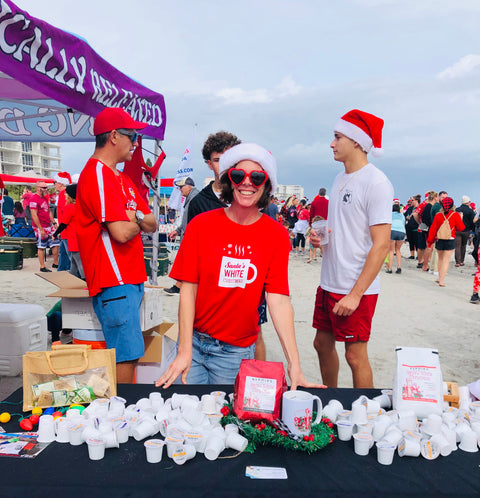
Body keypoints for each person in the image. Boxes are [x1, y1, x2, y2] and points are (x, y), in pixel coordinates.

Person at [155, 143, 323, 390]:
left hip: (235, 353)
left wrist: (294, 364)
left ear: (266, 184)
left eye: (256, 177)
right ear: (228, 180)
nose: (247, 183)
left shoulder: (275, 234)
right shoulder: (201, 226)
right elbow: (188, 290)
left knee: (227, 424)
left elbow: (278, 299)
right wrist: (184, 350)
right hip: (194, 344)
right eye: (238, 175)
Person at [311, 109, 393, 388]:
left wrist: (355, 295)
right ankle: (330, 398)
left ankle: (366, 416)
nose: (331, 144)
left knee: (355, 356)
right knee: (322, 343)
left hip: (355, 287)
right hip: (329, 280)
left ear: (357, 141)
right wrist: (320, 240)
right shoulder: (338, 179)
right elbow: (342, 232)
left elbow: (381, 245)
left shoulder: (376, 182)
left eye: (337, 137)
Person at [76, 107, 157, 383]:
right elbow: (123, 232)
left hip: (128, 277)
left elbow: (153, 222)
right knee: (126, 354)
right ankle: (119, 413)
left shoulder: (119, 178)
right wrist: (135, 219)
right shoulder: (97, 174)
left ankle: (121, 411)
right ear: (113, 136)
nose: (135, 143)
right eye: (132, 136)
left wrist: (134, 219)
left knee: (129, 352)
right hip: (114, 279)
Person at [184, 131, 268, 361]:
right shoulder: (199, 202)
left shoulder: (249, 193)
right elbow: (191, 257)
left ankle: (256, 376)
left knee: (256, 333)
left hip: (248, 284)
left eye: (230, 156)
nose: (224, 163)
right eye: (218, 159)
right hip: (211, 289)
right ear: (209, 163)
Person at [164, 177, 199, 295]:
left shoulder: (194, 198)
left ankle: (178, 286)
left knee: (185, 262)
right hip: (190, 235)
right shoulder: (192, 198)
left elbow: (191, 220)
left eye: (181, 187)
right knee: (185, 262)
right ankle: (179, 286)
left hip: (192, 237)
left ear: (189, 186)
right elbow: (187, 219)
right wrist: (178, 231)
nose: (179, 189)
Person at [427, 197, 464, 287]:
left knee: (440, 259)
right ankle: (441, 281)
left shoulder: (438, 215)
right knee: (446, 260)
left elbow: (433, 229)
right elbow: (461, 228)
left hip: (439, 239)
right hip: (450, 239)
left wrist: (430, 241)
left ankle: (439, 277)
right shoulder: (455, 215)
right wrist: (461, 218)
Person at [52, 183, 84, 279]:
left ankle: (85, 281)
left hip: (72, 238)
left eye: (66, 193)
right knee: (73, 262)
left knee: (78, 262)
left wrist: (55, 234)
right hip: (79, 237)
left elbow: (63, 223)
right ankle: (72, 278)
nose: (65, 195)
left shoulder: (69, 207)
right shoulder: (80, 206)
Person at [30, 181, 60, 272]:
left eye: (46, 187)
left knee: (56, 243)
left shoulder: (45, 198)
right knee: (41, 246)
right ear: (38, 188)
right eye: (44, 188)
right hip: (40, 226)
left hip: (48, 225)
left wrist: (54, 223)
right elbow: (34, 215)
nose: (46, 189)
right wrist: (40, 228)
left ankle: (56, 263)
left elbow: (49, 211)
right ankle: (42, 266)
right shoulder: (34, 199)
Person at [53, 172, 72, 271]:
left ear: (60, 183)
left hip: (66, 230)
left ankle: (68, 273)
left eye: (54, 182)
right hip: (65, 230)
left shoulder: (62, 194)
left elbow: (65, 213)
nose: (54, 184)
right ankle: (61, 271)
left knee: (69, 256)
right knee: (63, 252)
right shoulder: (66, 193)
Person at [455, 195, 475, 267]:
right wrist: (472, 229)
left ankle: (457, 261)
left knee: (457, 246)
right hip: (466, 230)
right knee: (463, 245)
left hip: (457, 230)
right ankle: (461, 261)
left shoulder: (457, 209)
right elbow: (472, 221)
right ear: (468, 202)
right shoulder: (470, 211)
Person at [386, 204, 406, 274]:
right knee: (398, 250)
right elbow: (403, 224)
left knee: (391, 250)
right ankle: (399, 267)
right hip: (401, 232)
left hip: (392, 231)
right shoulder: (402, 216)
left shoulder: (390, 215)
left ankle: (389, 268)